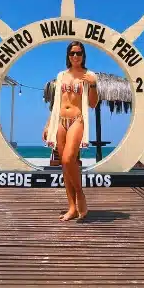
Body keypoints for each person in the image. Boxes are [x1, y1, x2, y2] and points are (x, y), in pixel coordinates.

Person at [43, 41, 98, 221]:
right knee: (65, 166)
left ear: (84, 55)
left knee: (68, 159)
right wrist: (48, 124)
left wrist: (94, 85)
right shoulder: (61, 75)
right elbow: (56, 102)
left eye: (79, 53)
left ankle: (80, 195)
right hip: (59, 120)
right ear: (68, 55)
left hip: (77, 120)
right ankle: (72, 208)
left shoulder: (89, 76)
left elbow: (92, 103)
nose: (76, 56)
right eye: (72, 53)